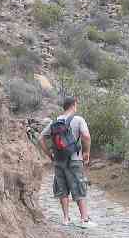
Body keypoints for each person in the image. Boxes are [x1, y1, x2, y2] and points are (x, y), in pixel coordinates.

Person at [39, 95, 93, 226]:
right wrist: (86, 152)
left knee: (62, 188)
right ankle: (84, 218)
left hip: (58, 160)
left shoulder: (55, 121)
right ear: (73, 105)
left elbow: (41, 138)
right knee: (79, 186)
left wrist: (49, 154)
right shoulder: (78, 119)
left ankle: (66, 218)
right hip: (74, 159)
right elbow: (86, 136)